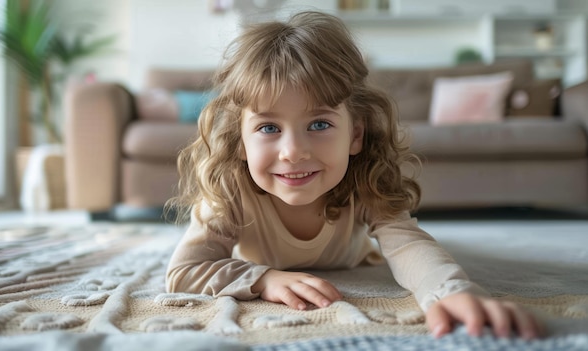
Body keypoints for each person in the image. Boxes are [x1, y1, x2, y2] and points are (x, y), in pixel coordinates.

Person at [165, 11, 542, 340]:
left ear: (356, 134)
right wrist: (263, 279)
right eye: (268, 128)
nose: (293, 151)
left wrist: (454, 292)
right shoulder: (231, 187)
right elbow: (184, 271)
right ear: (241, 141)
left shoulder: (364, 180)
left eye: (318, 123)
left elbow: (408, 246)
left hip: (357, 258)